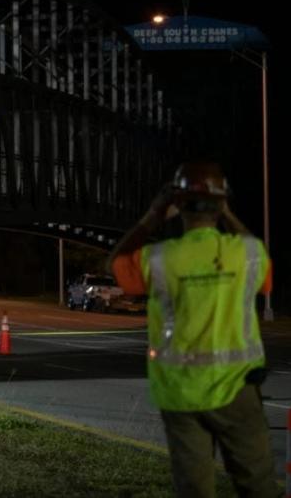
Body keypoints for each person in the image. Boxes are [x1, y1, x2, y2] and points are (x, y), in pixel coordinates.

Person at [109, 162, 279, 497]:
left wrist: (153, 215)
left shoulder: (158, 260)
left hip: (181, 393)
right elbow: (265, 272)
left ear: (179, 204)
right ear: (221, 203)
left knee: (194, 490)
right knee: (258, 485)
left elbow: (116, 264)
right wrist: (228, 214)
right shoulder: (246, 255)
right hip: (237, 390)